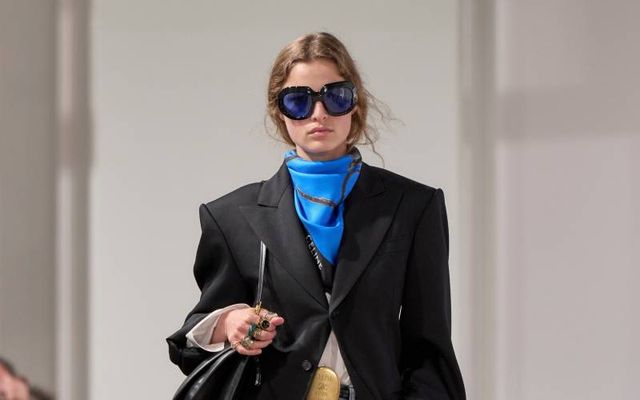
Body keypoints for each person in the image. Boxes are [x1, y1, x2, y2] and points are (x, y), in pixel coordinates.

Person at [167, 32, 466, 400]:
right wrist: (227, 323)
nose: (318, 113)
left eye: (335, 97)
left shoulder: (412, 207)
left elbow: (430, 351)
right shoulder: (230, 218)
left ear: (355, 104)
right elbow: (188, 346)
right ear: (279, 110)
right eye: (298, 100)